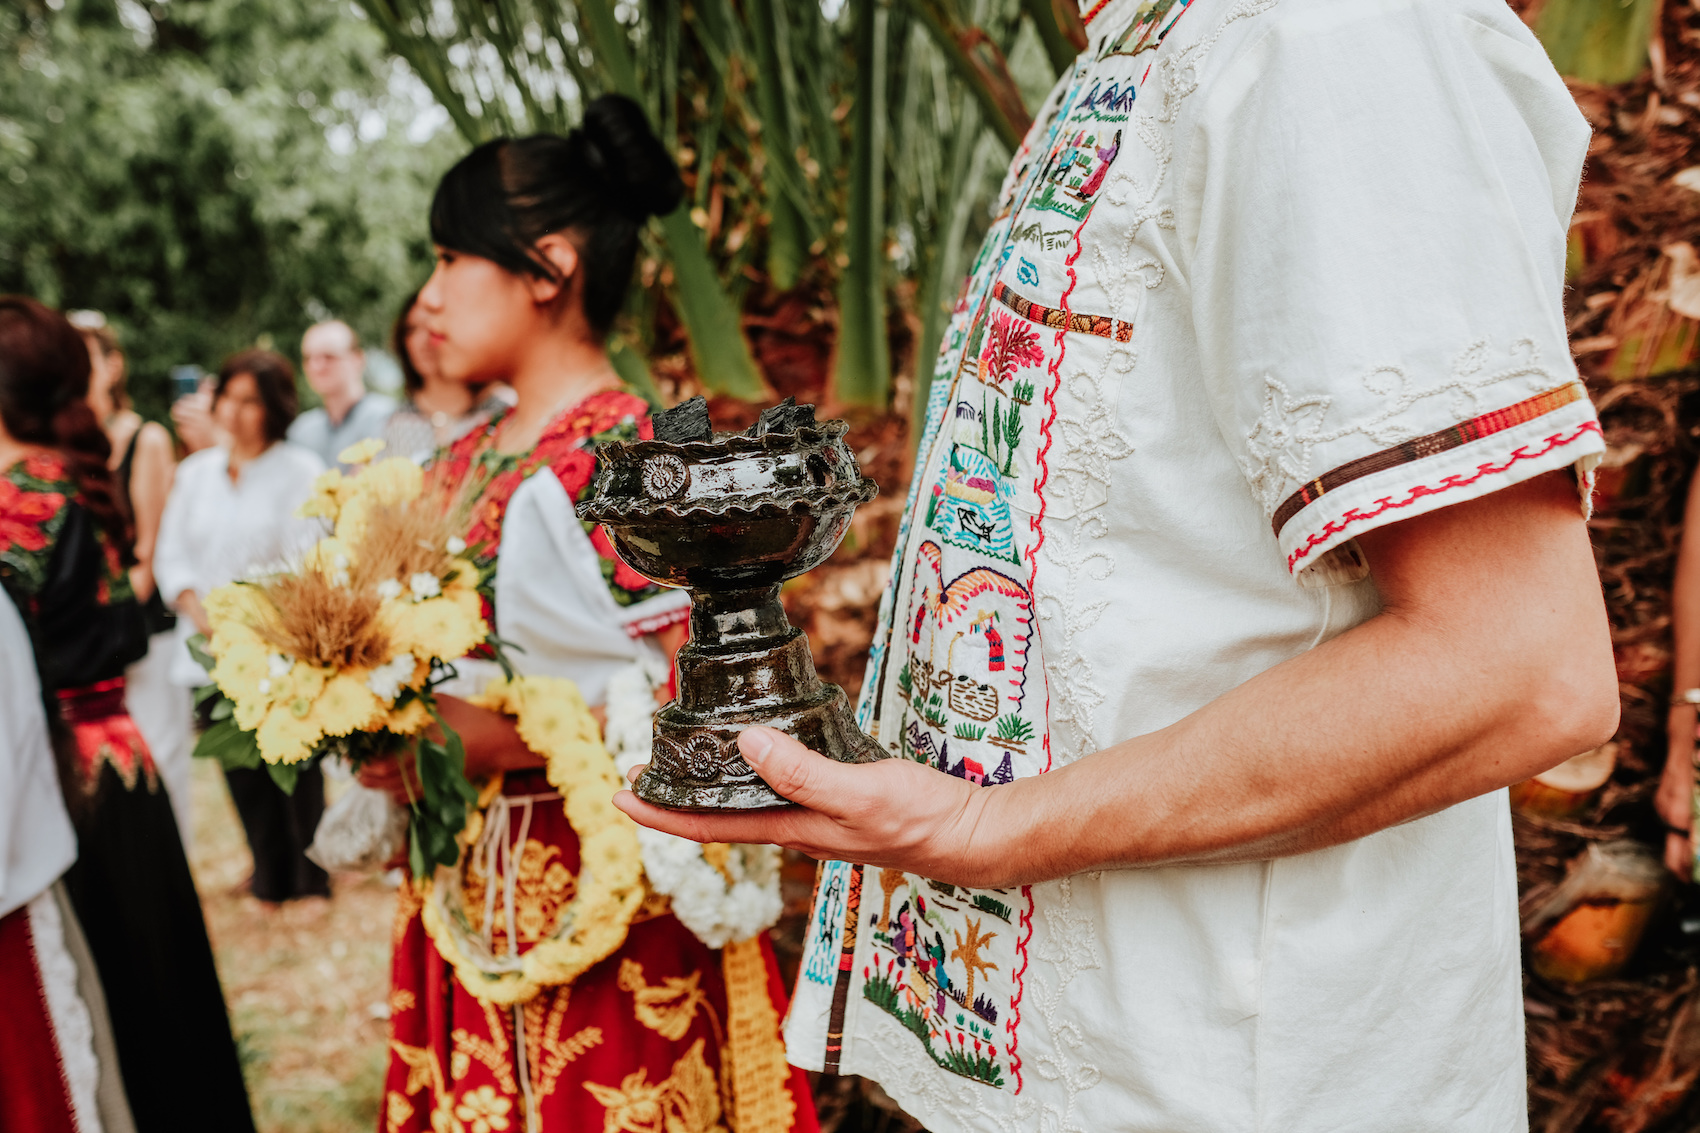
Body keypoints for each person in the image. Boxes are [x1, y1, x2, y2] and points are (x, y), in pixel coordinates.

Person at [617, 2, 1620, 1130]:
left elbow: (1517, 663)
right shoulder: (1152, 39)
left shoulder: (1328, 38)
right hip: (1107, 1050)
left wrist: (985, 831)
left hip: (1245, 1073)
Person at [358, 95, 819, 1132]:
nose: (427, 297)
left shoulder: (630, 462)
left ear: (548, 265)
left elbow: (700, 708)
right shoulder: (456, 458)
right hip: (464, 878)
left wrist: (479, 737)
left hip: (613, 892)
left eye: (449, 259)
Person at [0, 296, 253, 1132]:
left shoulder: (18, 505)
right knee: (153, 980)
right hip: (114, 759)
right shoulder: (63, 478)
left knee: (114, 985)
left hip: (59, 778)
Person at [154, 349, 330, 904]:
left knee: (295, 766)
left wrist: (255, 627)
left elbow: (310, 563)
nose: (232, 410)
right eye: (226, 395)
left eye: (249, 400)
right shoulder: (195, 473)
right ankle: (267, 876)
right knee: (239, 769)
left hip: (279, 651)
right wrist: (200, 613)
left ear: (273, 408)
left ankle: (311, 880)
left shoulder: (300, 471)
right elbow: (172, 555)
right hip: (208, 649)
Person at [67, 311, 193, 838]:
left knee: (161, 754)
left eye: (85, 356)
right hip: (91, 634)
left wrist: (107, 615)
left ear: (113, 365)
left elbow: (150, 545)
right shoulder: (63, 444)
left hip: (142, 623)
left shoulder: (147, 439)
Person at [381, 289, 506, 462]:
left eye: (431, 329)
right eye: (411, 330)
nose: (421, 342)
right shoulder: (396, 422)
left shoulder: (498, 414)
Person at [287, 319, 394, 467]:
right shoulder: (301, 431)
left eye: (329, 356)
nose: (316, 366)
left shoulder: (388, 418)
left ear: (358, 359)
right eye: (308, 358)